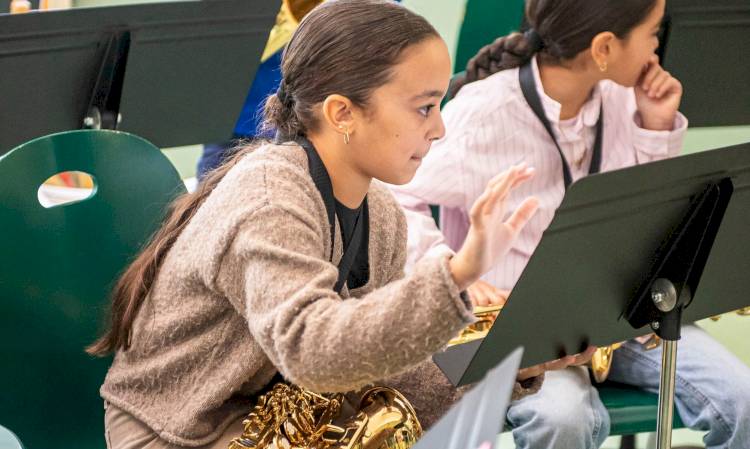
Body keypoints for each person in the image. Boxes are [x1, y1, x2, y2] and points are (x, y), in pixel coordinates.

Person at [87, 2, 591, 448]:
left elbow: (383, 370)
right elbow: (312, 351)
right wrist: (457, 274)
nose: (439, 128)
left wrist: (504, 364)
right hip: (176, 432)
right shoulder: (269, 199)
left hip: (269, 416)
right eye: (424, 108)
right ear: (343, 113)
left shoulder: (384, 214)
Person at [391, 0, 750, 447]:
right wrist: (449, 268)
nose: (657, 47)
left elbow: (649, 218)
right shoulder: (486, 110)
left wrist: (655, 127)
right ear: (603, 48)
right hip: (526, 332)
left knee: (743, 399)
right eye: (653, 32)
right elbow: (394, 195)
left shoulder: (625, 99)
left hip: (621, 321)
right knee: (562, 418)